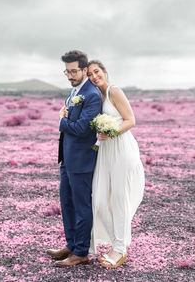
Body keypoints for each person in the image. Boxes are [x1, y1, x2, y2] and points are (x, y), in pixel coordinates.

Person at [87, 60, 145, 268]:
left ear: (104, 71)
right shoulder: (97, 96)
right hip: (105, 151)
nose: (94, 76)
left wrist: (110, 132)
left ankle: (119, 249)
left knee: (120, 200)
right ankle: (118, 243)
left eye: (97, 71)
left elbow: (130, 120)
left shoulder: (114, 91)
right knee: (100, 201)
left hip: (122, 148)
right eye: (90, 74)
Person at [47, 51, 102, 266]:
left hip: (82, 160)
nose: (70, 75)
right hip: (67, 159)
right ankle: (71, 244)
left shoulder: (92, 95)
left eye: (73, 71)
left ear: (84, 70)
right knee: (67, 203)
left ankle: (81, 252)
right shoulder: (74, 92)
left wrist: (61, 120)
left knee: (81, 206)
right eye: (67, 72)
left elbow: (80, 128)